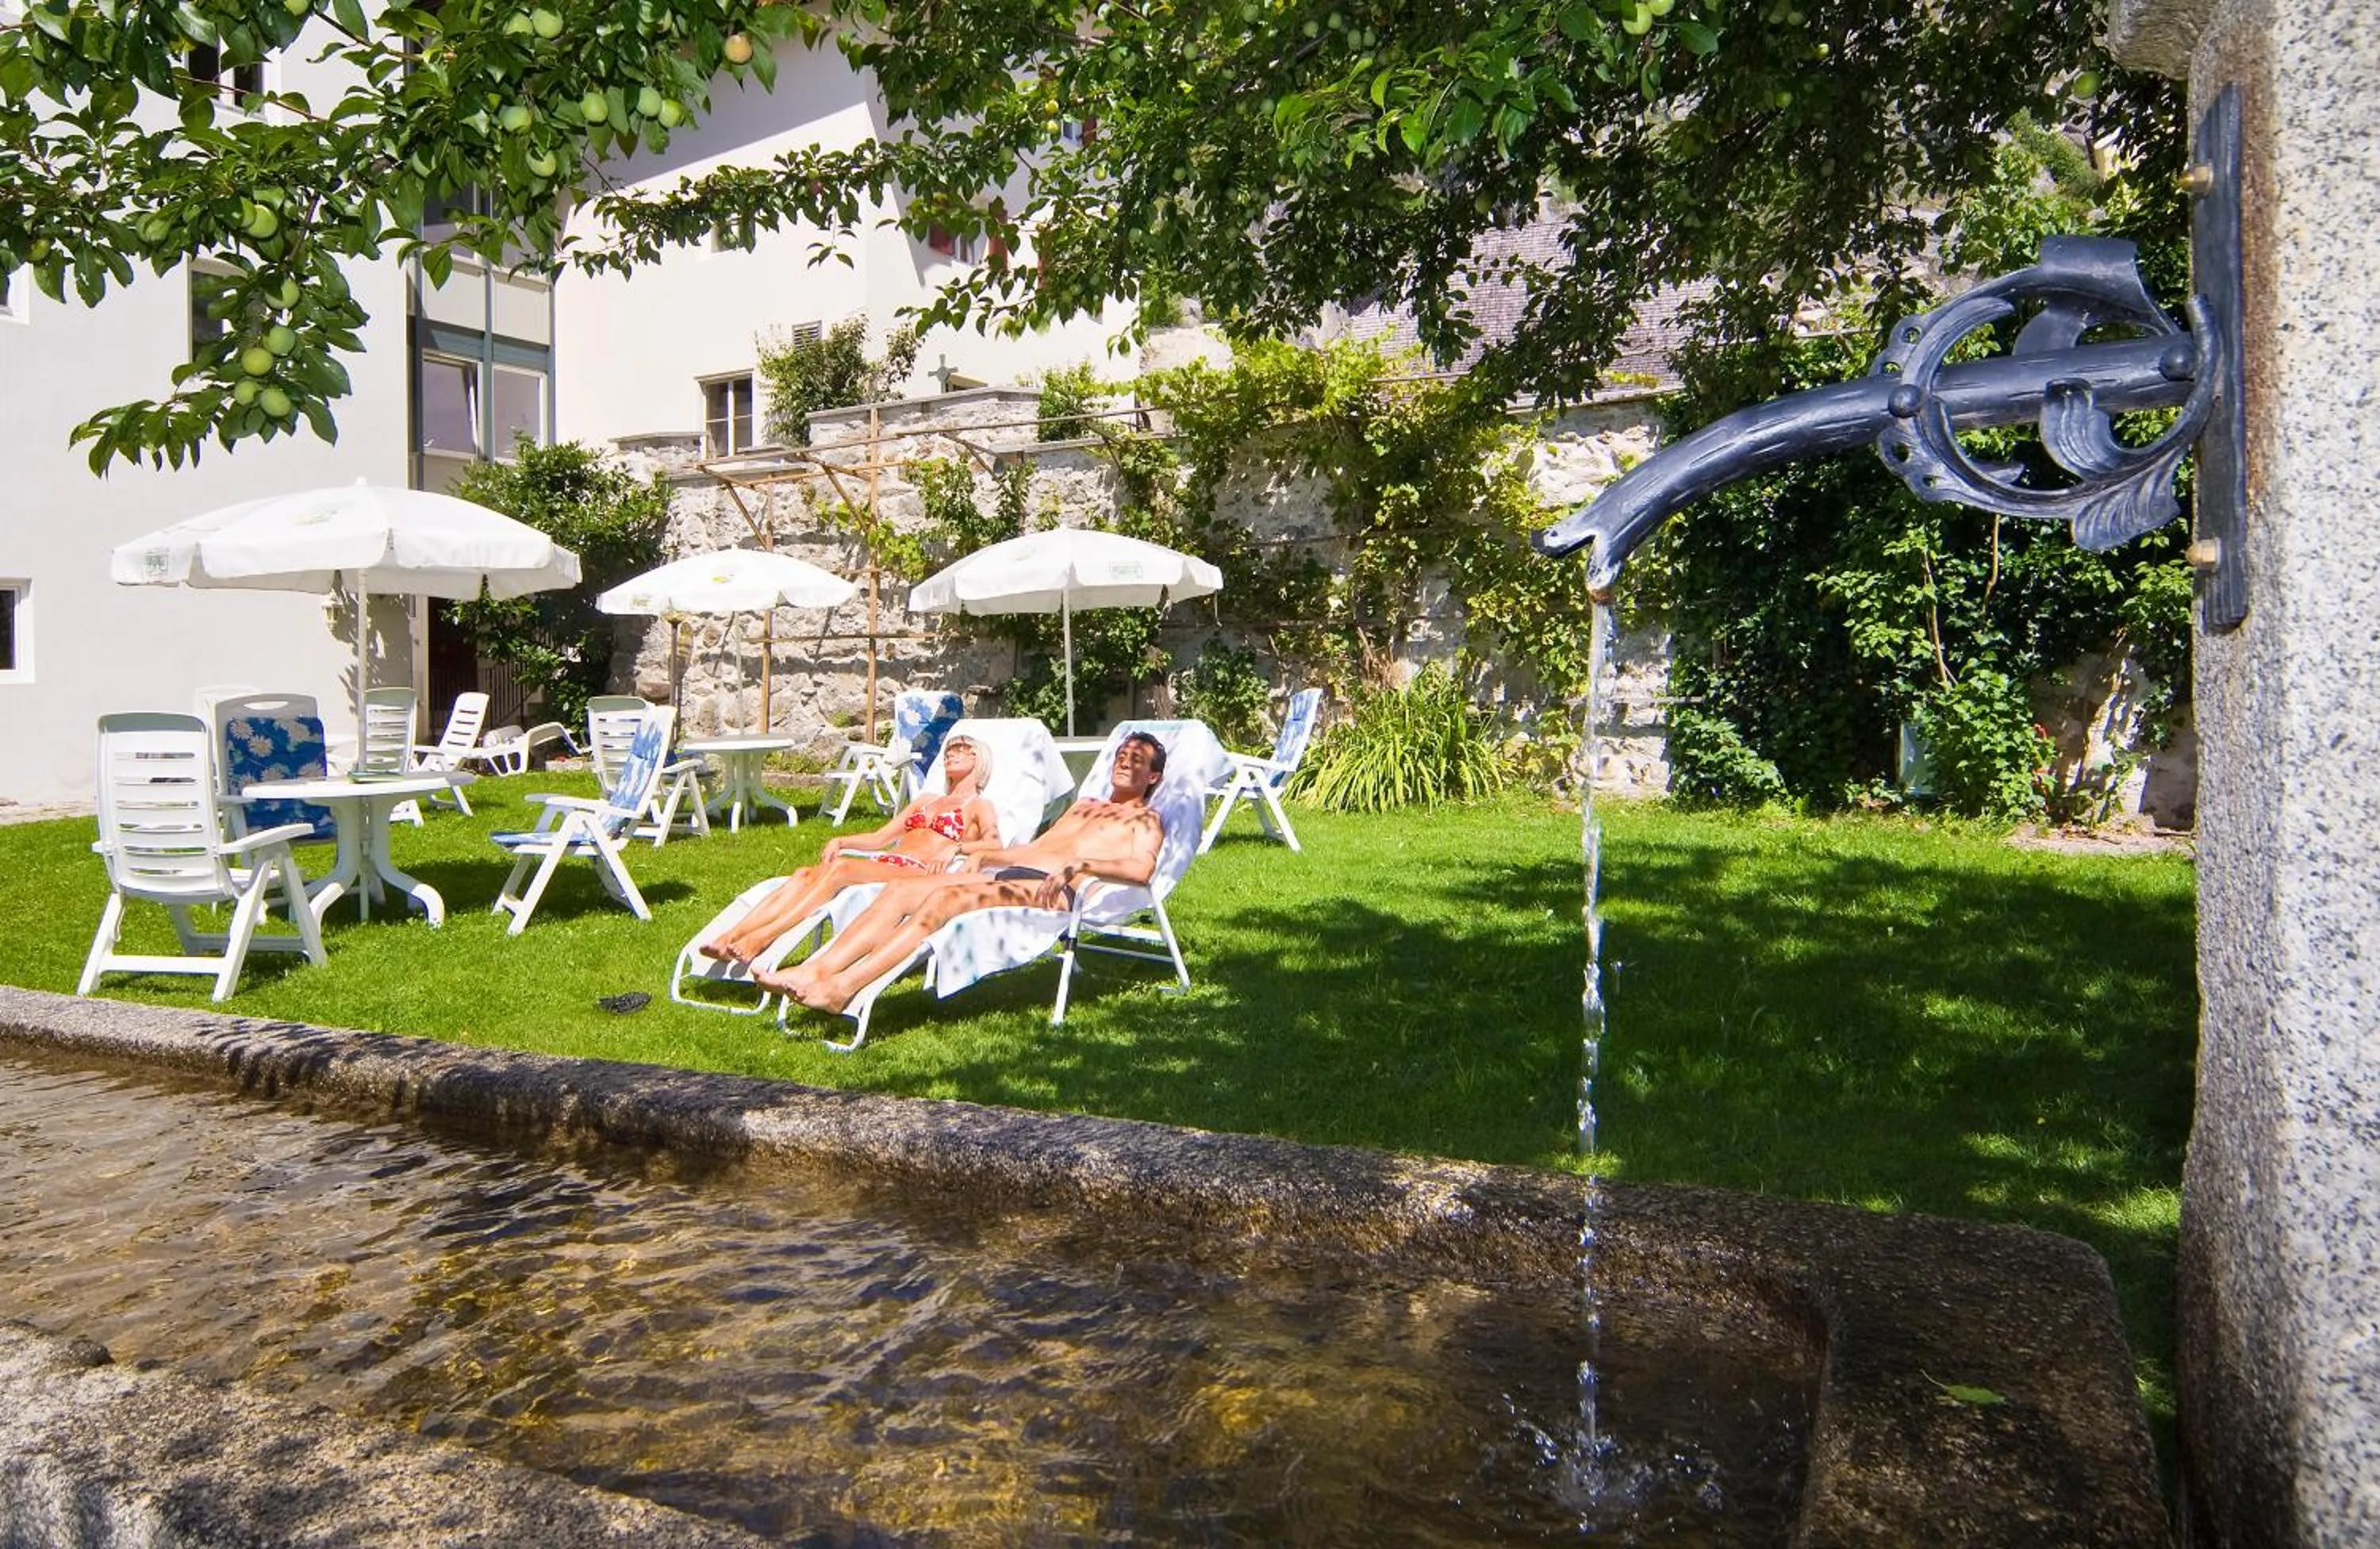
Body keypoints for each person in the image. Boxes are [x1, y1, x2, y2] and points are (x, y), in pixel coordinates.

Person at [757, 731, 1171, 1013]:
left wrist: (1081, 866)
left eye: (1136, 761)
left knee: (944, 900)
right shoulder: (1085, 806)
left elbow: (1142, 869)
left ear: (1153, 776)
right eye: (1121, 756)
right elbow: (1036, 849)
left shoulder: (1145, 820)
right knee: (902, 891)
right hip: (1014, 872)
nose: (1124, 763)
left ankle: (842, 989)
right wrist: (988, 856)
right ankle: (816, 970)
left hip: (1054, 893)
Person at [698, 734, 998, 965]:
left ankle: (762, 938)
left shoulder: (979, 806)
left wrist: (957, 849)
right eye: (949, 751)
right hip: (887, 860)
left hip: (913, 871)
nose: (952, 754)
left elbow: (995, 844)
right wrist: (843, 841)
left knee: (841, 867)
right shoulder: (926, 800)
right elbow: (881, 837)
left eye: (963, 749)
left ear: (979, 759)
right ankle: (732, 935)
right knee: (804, 874)